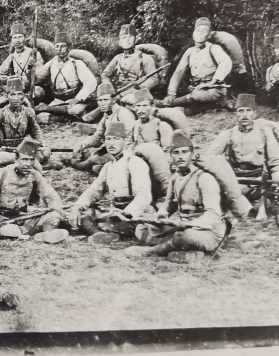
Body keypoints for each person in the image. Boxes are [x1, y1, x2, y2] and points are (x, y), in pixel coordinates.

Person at [124, 130, 228, 263]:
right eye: (176, 152)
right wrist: (159, 216)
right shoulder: (174, 179)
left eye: (185, 152)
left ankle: (153, 251)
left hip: (208, 231)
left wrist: (190, 224)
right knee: (142, 229)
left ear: (192, 153)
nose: (180, 157)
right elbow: (168, 206)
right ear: (171, 156)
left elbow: (213, 215)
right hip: (182, 226)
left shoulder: (204, 178)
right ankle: (184, 251)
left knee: (185, 236)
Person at [0, 138, 66, 241]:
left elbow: (51, 195)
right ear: (16, 160)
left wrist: (54, 208)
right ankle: (34, 233)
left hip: (23, 216)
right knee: (8, 231)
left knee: (53, 216)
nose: (28, 164)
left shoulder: (34, 175)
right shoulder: (1, 173)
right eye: (24, 159)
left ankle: (47, 233)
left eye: (31, 160)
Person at [69, 122, 153, 245]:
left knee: (106, 222)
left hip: (133, 214)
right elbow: (94, 191)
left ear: (124, 141)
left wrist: (126, 213)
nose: (111, 143)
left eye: (116, 139)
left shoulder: (134, 162)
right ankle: (105, 233)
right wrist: (77, 207)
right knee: (83, 214)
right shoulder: (108, 166)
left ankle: (104, 232)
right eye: (108, 139)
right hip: (116, 211)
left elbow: (144, 196)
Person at [207, 93, 279, 220]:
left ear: (254, 114)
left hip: (258, 181)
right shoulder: (228, 134)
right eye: (241, 111)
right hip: (235, 180)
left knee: (263, 206)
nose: (244, 115)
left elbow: (275, 161)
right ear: (236, 114)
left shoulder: (264, 133)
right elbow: (209, 157)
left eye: (248, 111)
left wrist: (276, 181)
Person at [162, 17, 233, 112]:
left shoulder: (213, 48)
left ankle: (167, 104)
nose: (200, 33)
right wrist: (171, 94)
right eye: (198, 30)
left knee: (195, 97)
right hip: (195, 88)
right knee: (192, 96)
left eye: (204, 31)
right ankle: (206, 107)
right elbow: (178, 72)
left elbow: (226, 62)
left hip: (213, 89)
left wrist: (211, 83)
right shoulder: (189, 51)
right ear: (193, 34)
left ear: (208, 35)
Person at [67, 83, 136, 173]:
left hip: (125, 151)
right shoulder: (107, 114)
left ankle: (96, 165)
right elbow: (97, 137)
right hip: (111, 148)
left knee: (95, 159)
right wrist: (82, 144)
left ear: (114, 100)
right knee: (86, 151)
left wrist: (113, 153)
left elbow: (131, 140)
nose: (102, 103)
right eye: (100, 100)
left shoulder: (123, 114)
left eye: (105, 100)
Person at [34, 31, 98, 122]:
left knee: (75, 110)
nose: (59, 49)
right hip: (58, 101)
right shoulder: (52, 63)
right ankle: (67, 117)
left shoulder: (76, 63)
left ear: (68, 47)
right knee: (40, 117)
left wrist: (77, 99)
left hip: (73, 100)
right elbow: (38, 76)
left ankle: (61, 113)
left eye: (63, 46)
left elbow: (91, 82)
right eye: (57, 46)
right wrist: (31, 68)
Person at [100, 24, 158, 109]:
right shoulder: (118, 58)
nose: (127, 40)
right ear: (120, 42)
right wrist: (109, 89)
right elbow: (105, 74)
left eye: (130, 37)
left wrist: (139, 88)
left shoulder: (145, 58)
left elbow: (154, 79)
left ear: (136, 39)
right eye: (124, 37)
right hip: (118, 92)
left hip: (138, 94)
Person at [0, 23, 45, 98]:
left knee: (38, 91)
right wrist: (2, 79)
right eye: (15, 38)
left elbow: (39, 76)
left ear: (25, 38)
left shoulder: (34, 54)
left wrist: (23, 77)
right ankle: (6, 97)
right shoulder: (11, 57)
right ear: (12, 40)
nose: (17, 40)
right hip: (14, 89)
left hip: (28, 88)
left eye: (20, 37)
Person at [263, 34, 279, 105]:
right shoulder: (270, 69)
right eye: (276, 49)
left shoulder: (270, 69)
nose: (277, 52)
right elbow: (268, 88)